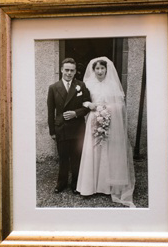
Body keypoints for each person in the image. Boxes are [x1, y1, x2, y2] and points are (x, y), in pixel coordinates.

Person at [76, 56, 136, 207]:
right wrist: (90, 104)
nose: (100, 71)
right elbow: (82, 100)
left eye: (102, 68)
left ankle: (107, 185)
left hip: (109, 120)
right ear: (93, 70)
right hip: (93, 119)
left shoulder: (112, 85)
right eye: (97, 68)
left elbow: (120, 105)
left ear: (106, 69)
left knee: (108, 150)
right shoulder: (88, 84)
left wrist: (107, 109)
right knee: (93, 149)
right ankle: (91, 185)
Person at [46, 58, 91, 194]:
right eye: (66, 70)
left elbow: (87, 105)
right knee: (63, 157)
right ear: (61, 70)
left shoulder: (81, 86)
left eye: (72, 70)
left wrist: (75, 113)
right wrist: (52, 131)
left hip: (77, 128)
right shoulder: (53, 88)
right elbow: (50, 111)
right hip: (62, 128)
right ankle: (61, 183)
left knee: (76, 157)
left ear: (75, 71)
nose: (69, 73)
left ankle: (75, 184)